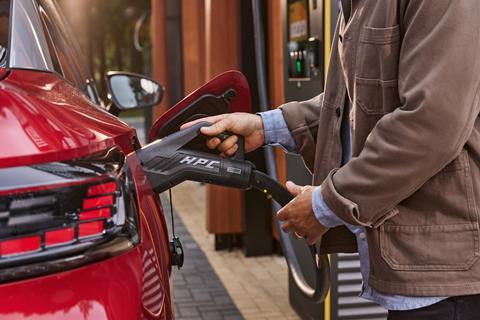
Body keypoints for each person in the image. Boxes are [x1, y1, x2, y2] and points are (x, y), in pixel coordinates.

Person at [183, 1, 480, 319]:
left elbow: (430, 125)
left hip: (451, 283)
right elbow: (355, 102)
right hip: (419, 277)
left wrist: (324, 205)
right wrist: (264, 126)